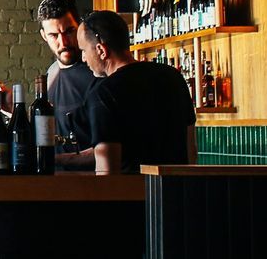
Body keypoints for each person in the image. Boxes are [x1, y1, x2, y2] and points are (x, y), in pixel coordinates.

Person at [55, 10, 195, 174]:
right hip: (175, 193)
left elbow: (107, 174)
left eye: (84, 50)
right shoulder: (173, 77)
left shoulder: (104, 93)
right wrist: (60, 159)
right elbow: (190, 148)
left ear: (101, 50)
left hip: (134, 195)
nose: (84, 58)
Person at [34, 0, 98, 144]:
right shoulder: (51, 73)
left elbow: (110, 146)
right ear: (44, 36)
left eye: (69, 31)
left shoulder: (96, 73)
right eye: (54, 35)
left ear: (80, 27)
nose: (63, 42)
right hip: (55, 167)